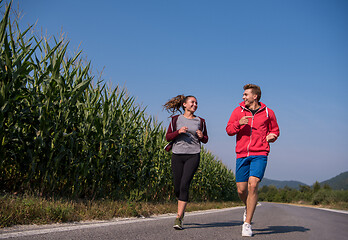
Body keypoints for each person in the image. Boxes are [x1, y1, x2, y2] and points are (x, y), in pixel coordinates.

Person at [226, 84, 279, 237]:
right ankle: (247, 206)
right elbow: (229, 130)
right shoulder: (238, 111)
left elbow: (275, 130)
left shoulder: (269, 113)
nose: (243, 97)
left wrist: (272, 136)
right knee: (241, 190)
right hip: (242, 154)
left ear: (255, 96)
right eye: (243, 94)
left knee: (253, 184)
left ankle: (247, 224)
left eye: (246, 94)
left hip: (260, 153)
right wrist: (239, 123)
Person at [164, 95, 208, 230]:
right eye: (192, 102)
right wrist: (178, 131)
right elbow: (168, 137)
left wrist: (202, 136)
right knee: (177, 187)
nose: (195, 105)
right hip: (177, 155)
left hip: (193, 155)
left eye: (196, 103)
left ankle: (178, 217)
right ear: (184, 104)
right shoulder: (175, 119)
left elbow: (205, 139)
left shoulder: (201, 121)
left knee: (184, 184)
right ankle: (182, 206)